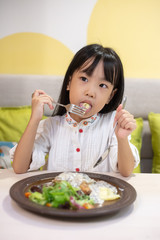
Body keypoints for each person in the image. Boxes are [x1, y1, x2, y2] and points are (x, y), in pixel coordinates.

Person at [11, 44, 139, 177]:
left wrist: (122, 138)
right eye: (84, 79)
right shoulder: (51, 126)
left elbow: (126, 171)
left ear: (110, 96)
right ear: (68, 82)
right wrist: (34, 120)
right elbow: (20, 168)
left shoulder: (113, 124)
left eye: (102, 85)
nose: (90, 92)